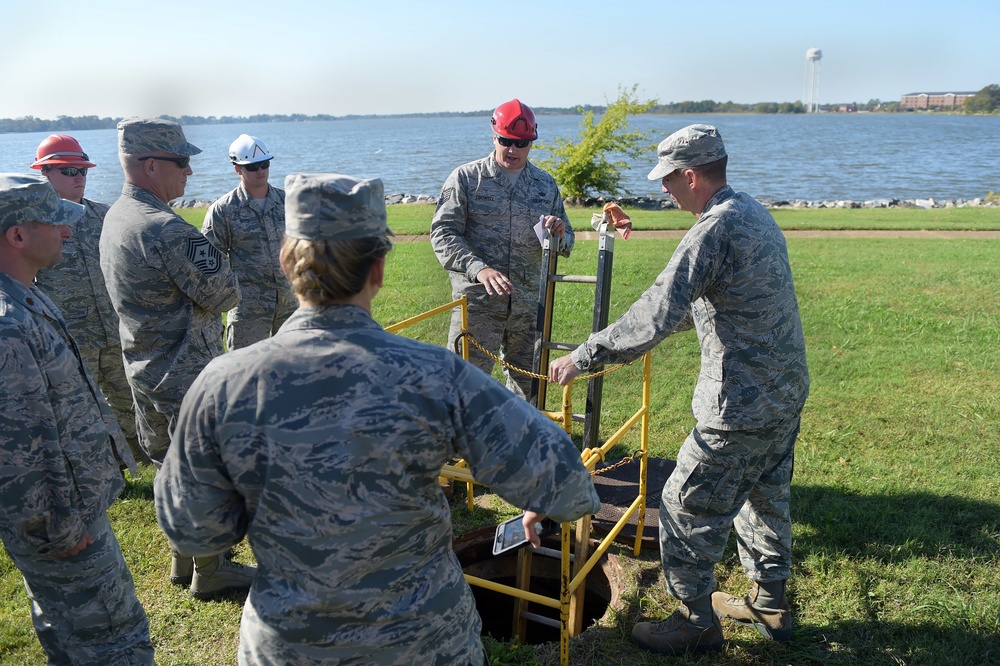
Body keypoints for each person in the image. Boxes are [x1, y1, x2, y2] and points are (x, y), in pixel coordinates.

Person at [155, 173, 601, 665]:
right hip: (426, 644)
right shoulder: (438, 376)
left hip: (292, 646)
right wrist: (540, 501)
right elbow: (567, 486)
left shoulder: (224, 382)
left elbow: (192, 531)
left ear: (286, 261)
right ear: (378, 268)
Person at [549, 125, 810, 655]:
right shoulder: (753, 212)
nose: (665, 190)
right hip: (783, 394)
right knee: (764, 498)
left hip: (738, 405)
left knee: (683, 506)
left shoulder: (712, 230)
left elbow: (655, 313)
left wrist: (584, 355)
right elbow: (727, 297)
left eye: (669, 180)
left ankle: (695, 621)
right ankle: (771, 603)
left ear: (691, 176)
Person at [0, 173, 154, 664]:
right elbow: (21, 448)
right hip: (62, 525)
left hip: (66, 515)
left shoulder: (25, 295)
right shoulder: (8, 326)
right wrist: (60, 530)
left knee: (67, 633)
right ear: (17, 236)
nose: (69, 230)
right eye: (55, 222)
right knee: (114, 640)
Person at [100, 117, 254, 598]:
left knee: (173, 467)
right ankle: (210, 570)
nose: (189, 172)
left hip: (146, 366)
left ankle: (183, 557)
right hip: (186, 370)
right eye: (181, 162)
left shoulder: (116, 216)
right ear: (150, 165)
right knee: (205, 471)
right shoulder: (165, 229)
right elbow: (226, 293)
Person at [431, 98, 573, 401]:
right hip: (479, 305)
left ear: (531, 141)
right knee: (462, 387)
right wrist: (479, 268)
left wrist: (559, 233)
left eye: (521, 143)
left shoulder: (545, 185)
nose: (513, 149)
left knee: (530, 389)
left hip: (528, 306)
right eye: (506, 141)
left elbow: (568, 240)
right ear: (494, 135)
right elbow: (443, 233)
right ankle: (458, 447)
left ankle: (518, 442)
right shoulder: (467, 179)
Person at [30, 134, 147, 465]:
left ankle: (134, 463)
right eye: (68, 171)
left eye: (82, 170)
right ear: (45, 173)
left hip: (113, 330)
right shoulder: (34, 222)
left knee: (128, 399)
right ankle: (92, 471)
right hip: (69, 339)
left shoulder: (104, 216)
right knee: (76, 410)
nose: (78, 177)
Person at [203, 134, 296, 350]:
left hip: (291, 306)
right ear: (237, 169)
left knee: (295, 371)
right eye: (253, 167)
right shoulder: (223, 210)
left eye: (264, 164)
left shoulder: (289, 201)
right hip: (249, 312)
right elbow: (210, 264)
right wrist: (229, 296)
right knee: (247, 376)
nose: (260, 171)